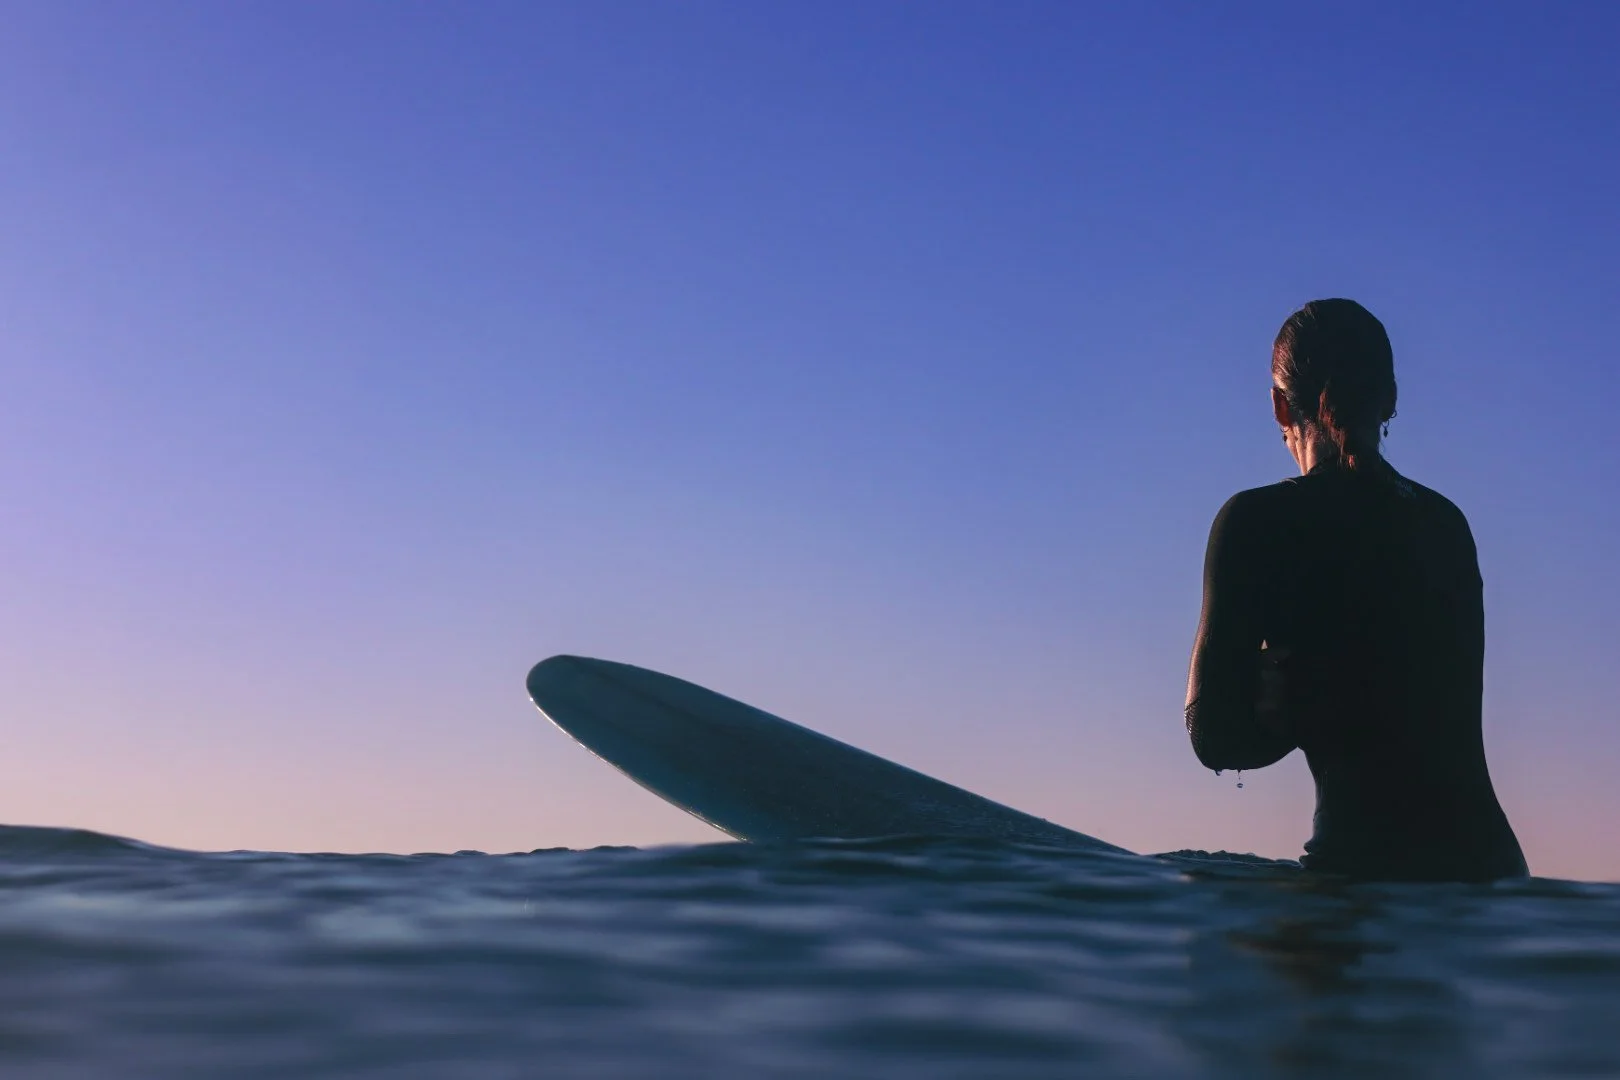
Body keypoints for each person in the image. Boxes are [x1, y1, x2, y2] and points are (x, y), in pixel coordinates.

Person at [1183, 299, 1527, 882]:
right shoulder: (1444, 525)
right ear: (1389, 399)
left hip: (1361, 880)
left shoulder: (1256, 521)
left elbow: (1213, 736)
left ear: (1277, 403)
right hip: (1489, 878)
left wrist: (1278, 703)